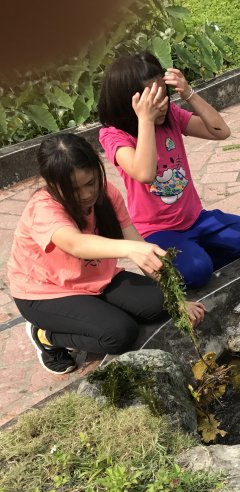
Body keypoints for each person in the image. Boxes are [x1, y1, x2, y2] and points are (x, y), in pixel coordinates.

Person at [8, 133, 205, 375]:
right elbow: (75, 243)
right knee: (119, 334)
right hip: (46, 293)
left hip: (96, 279)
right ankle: (45, 336)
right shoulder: (43, 208)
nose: (86, 194)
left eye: (90, 182)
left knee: (161, 304)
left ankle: (94, 313)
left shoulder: (107, 194)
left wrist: (177, 300)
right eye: (74, 189)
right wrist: (129, 249)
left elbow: (137, 243)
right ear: (52, 184)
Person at [98, 51, 240, 288]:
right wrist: (145, 121)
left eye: (163, 95)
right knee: (197, 271)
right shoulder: (114, 135)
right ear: (129, 102)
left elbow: (220, 131)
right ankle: (187, 260)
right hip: (157, 231)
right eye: (153, 100)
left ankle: (195, 255)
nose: (162, 105)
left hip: (196, 219)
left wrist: (188, 93)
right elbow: (144, 173)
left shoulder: (171, 116)